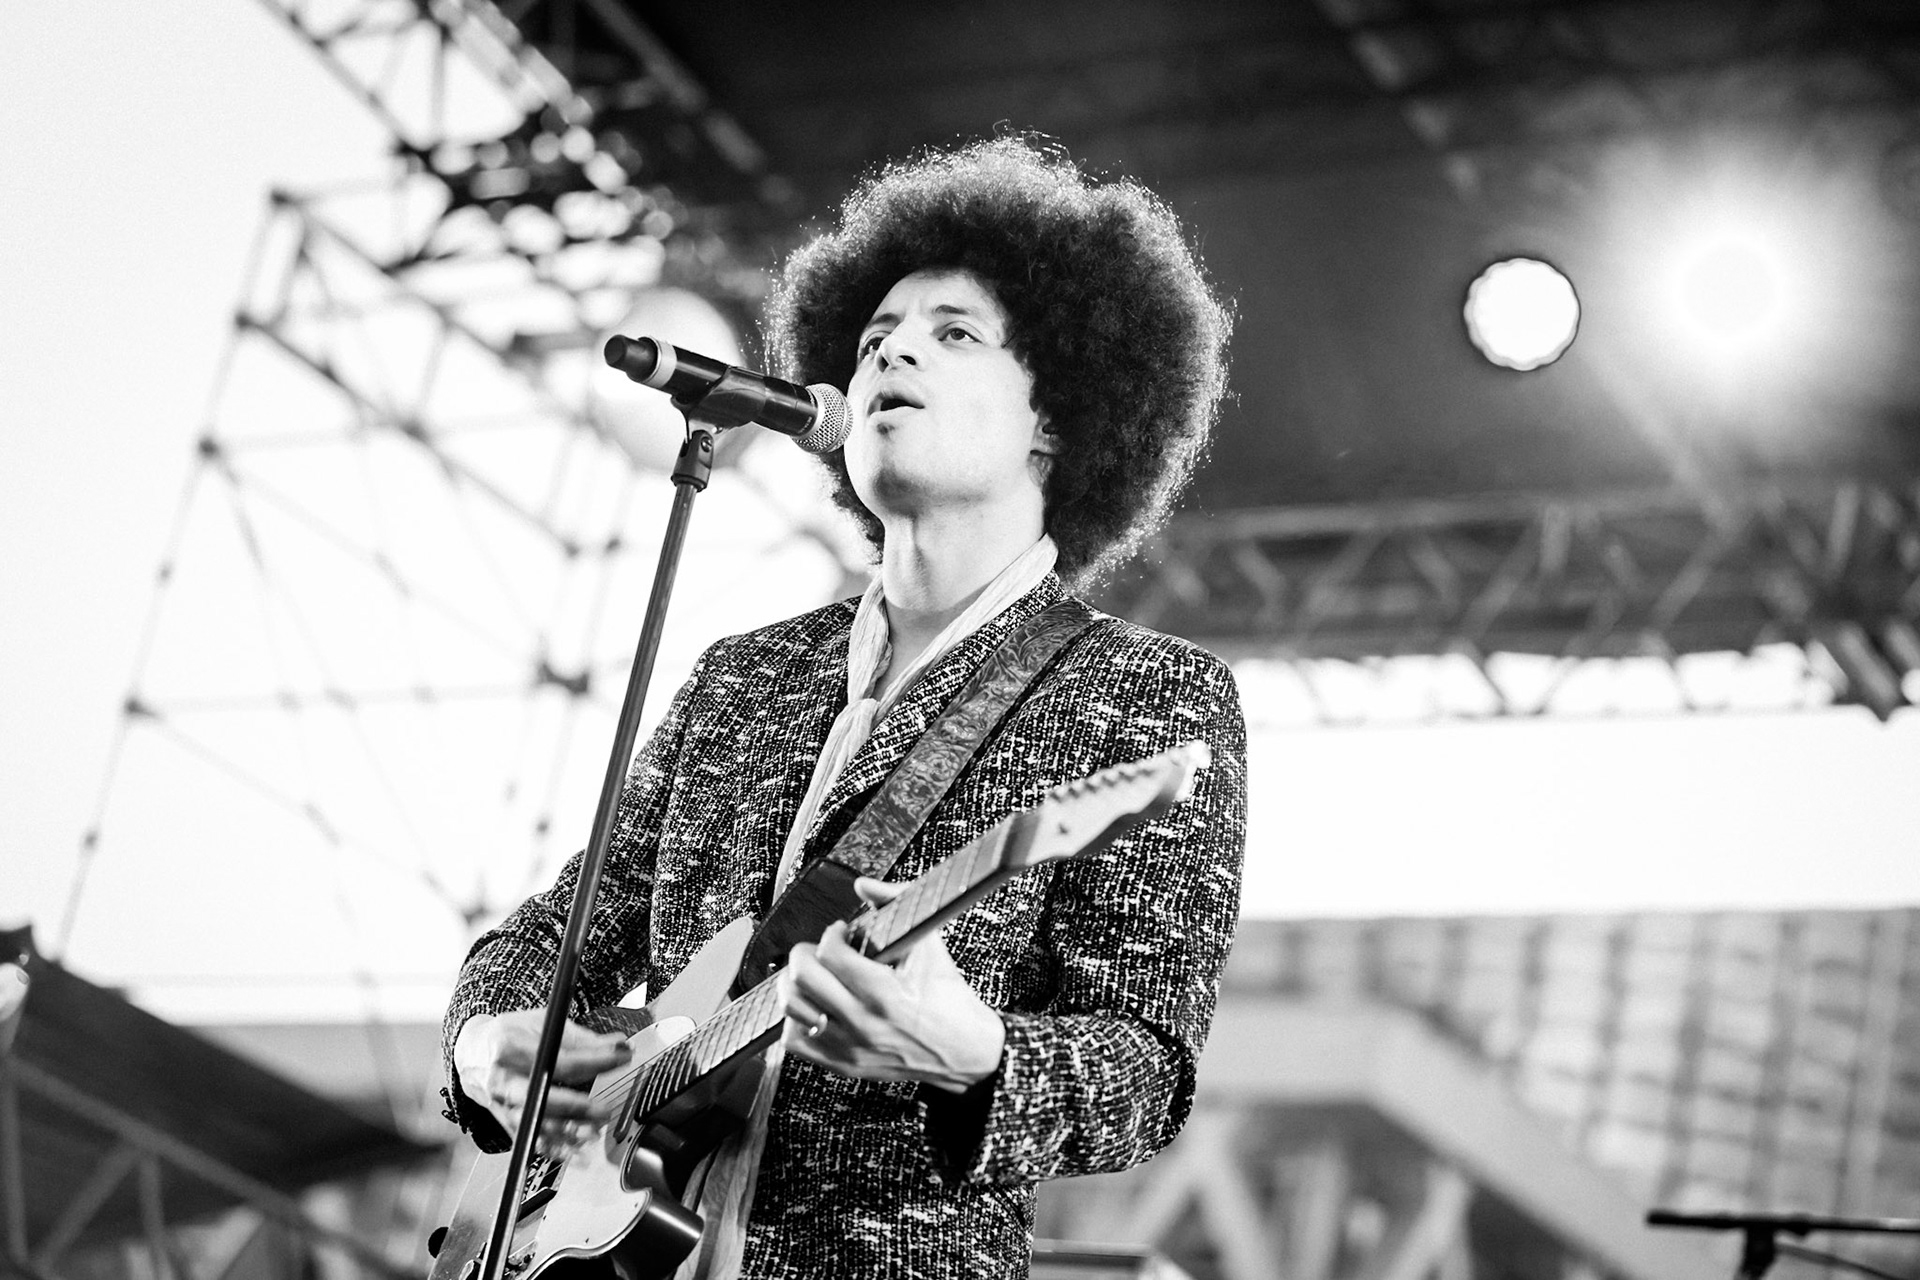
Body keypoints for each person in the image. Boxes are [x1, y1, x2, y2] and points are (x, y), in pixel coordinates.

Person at [441, 136, 1247, 1279]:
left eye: (952, 333)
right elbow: (558, 929)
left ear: (1056, 418)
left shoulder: (1149, 696)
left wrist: (978, 1055)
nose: (891, 354)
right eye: (872, 340)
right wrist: (489, 1045)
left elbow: (1147, 1068)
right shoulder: (741, 678)